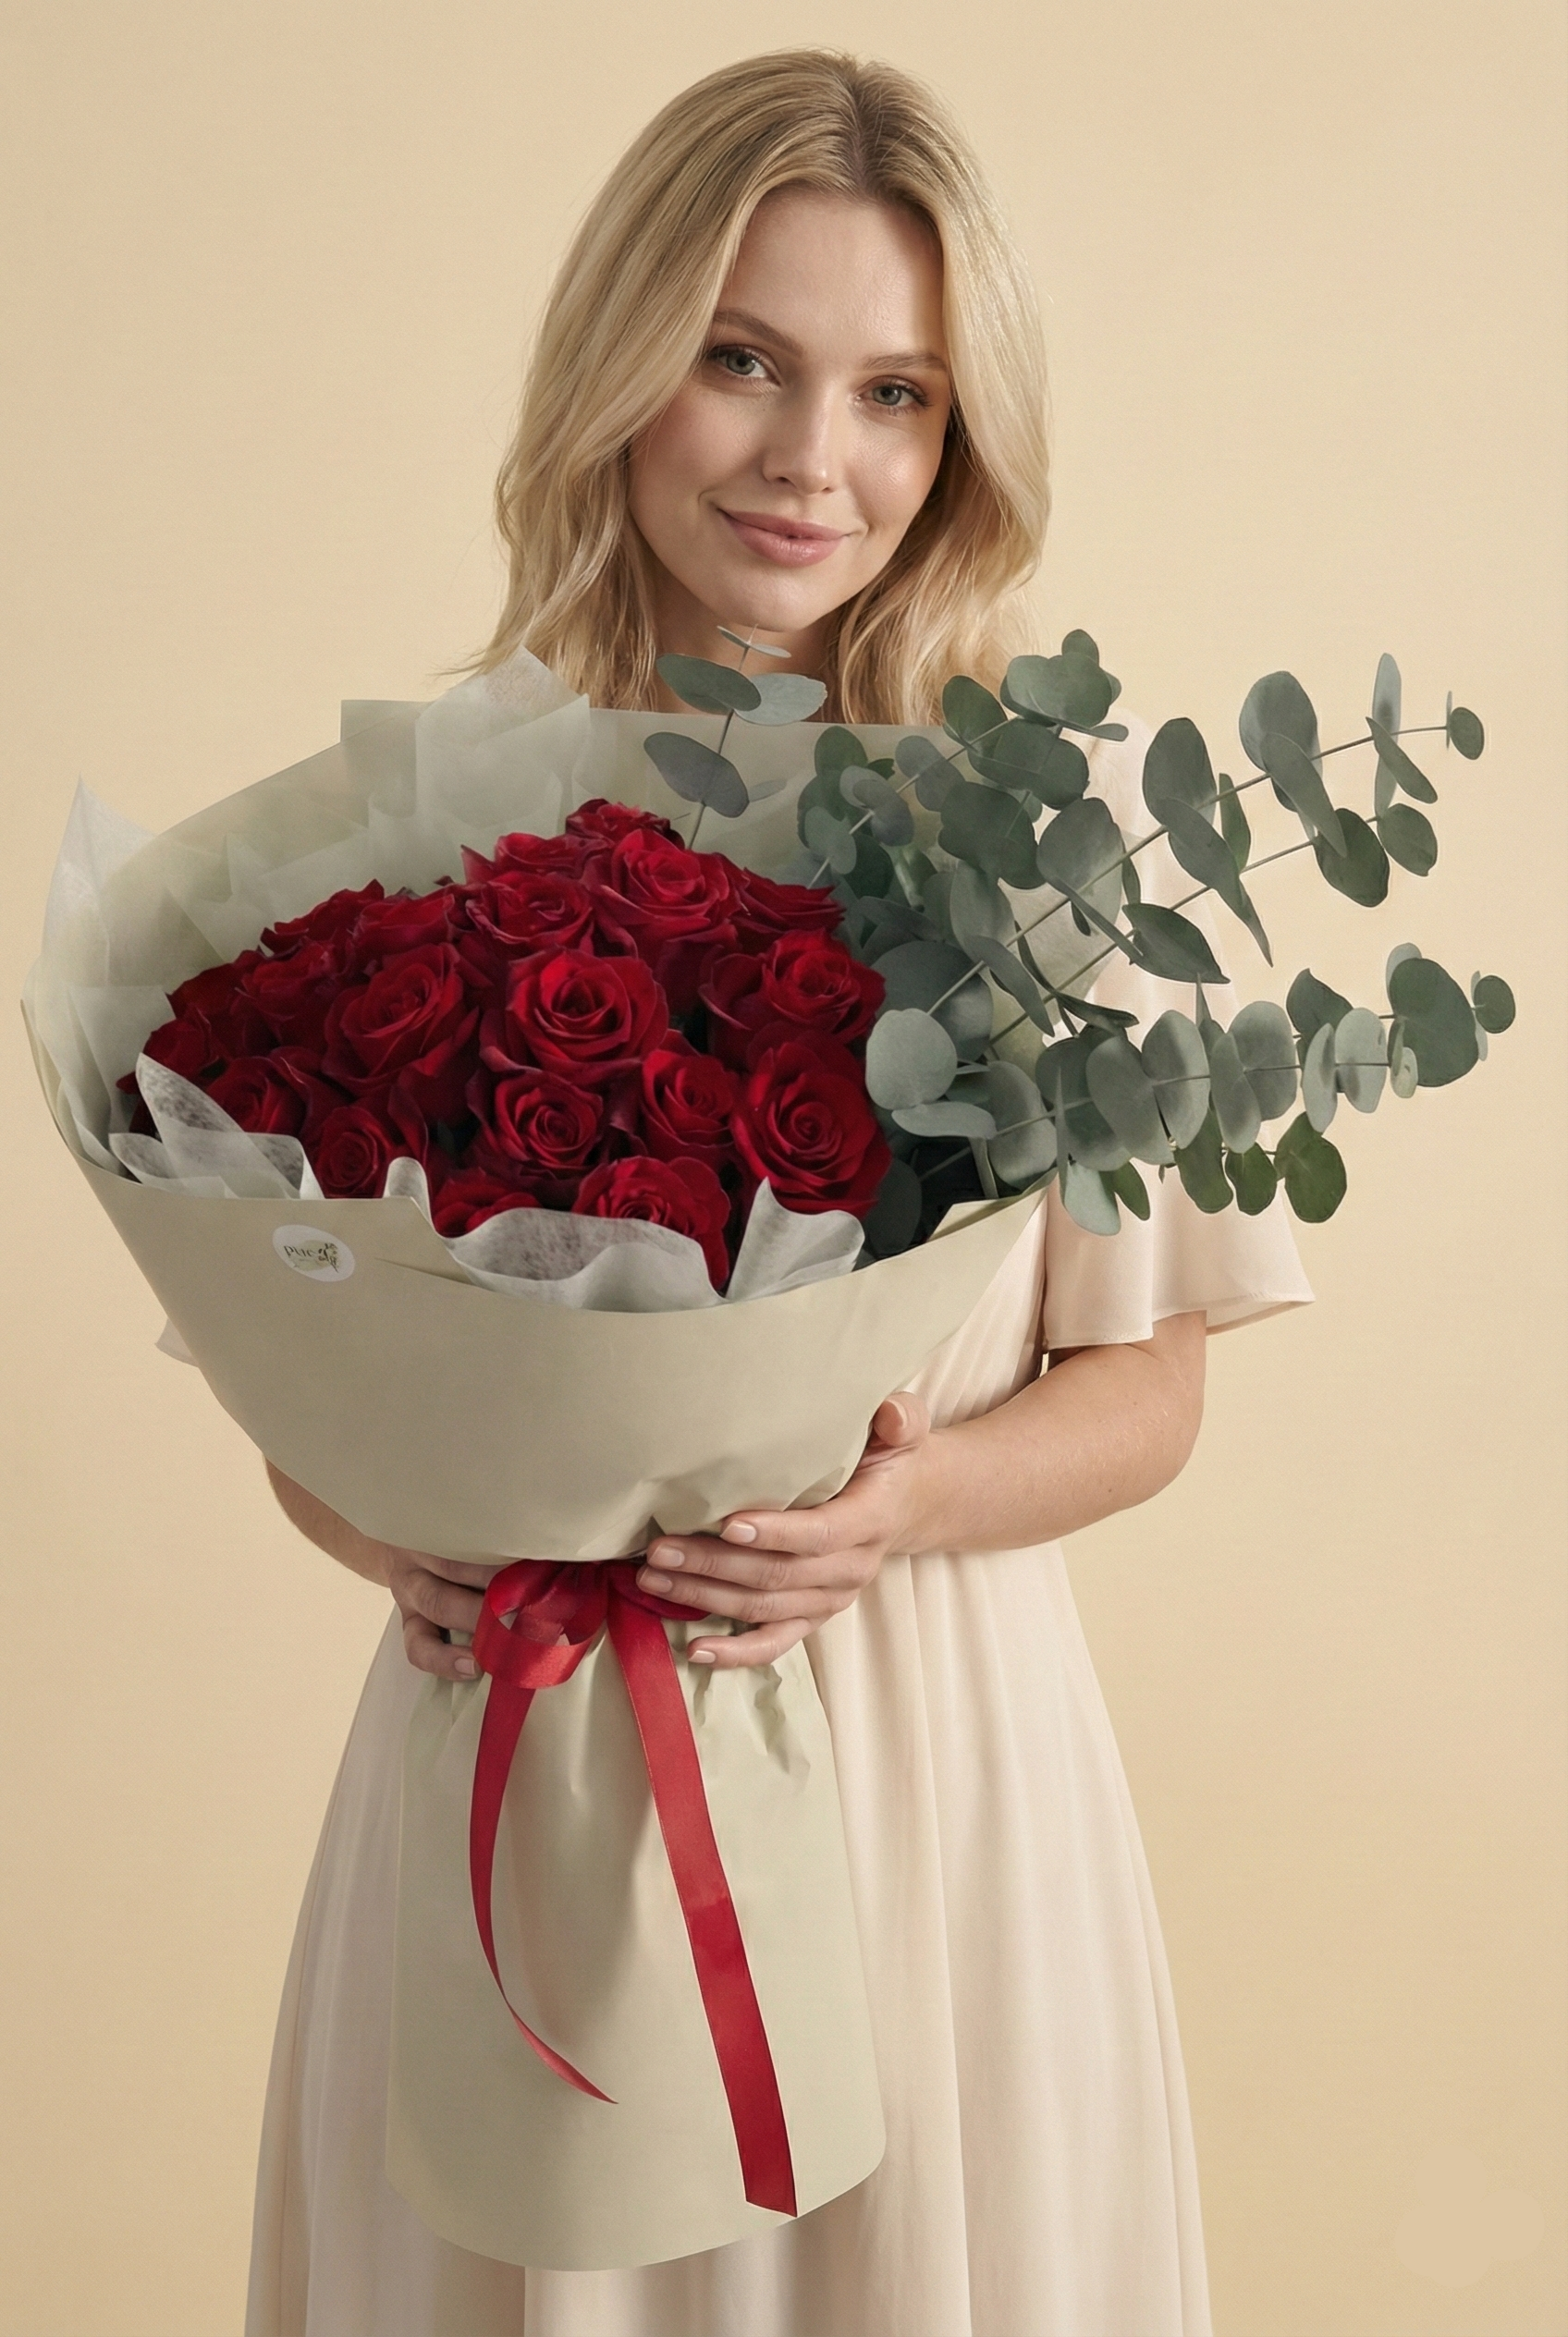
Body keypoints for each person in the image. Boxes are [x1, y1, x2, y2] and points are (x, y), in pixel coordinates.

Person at [249, 49, 1310, 2337]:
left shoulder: (1064, 844)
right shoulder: (414, 832)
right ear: (622, 366)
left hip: (920, 1760)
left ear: (959, 438)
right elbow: (305, 1380)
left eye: (893, 393)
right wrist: (389, 1529)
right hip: (515, 1770)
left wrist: (894, 1512)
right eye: (740, 360)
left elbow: (1146, 1389)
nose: (811, 458)